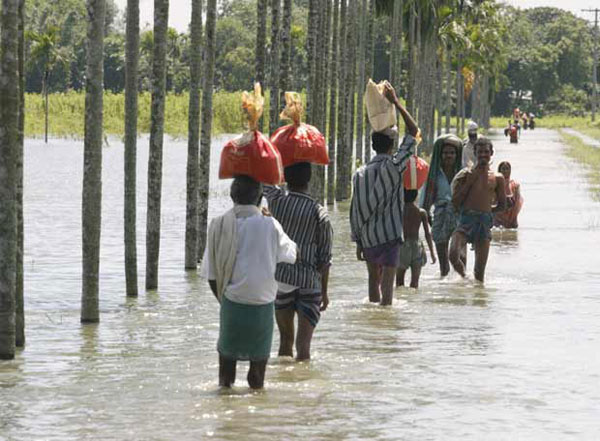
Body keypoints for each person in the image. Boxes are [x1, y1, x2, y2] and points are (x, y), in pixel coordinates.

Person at [201, 175, 298, 389]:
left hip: (232, 303)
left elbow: (210, 274)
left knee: (225, 377)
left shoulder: (218, 224)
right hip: (262, 306)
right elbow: (292, 254)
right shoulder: (270, 224)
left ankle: (227, 413)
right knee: (257, 377)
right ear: (260, 198)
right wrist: (272, 221)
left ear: (232, 196)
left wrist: (224, 300)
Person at [350, 82, 419, 306]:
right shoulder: (395, 165)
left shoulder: (359, 174)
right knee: (387, 291)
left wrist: (358, 241)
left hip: (368, 236)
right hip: (390, 236)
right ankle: (384, 329)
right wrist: (396, 102)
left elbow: (355, 210)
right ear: (391, 145)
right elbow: (414, 131)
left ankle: (374, 325)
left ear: (372, 145)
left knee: (373, 282)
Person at [263, 162, 333, 361]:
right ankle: (301, 382)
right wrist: (324, 292)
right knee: (303, 346)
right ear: (309, 179)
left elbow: (264, 179)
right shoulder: (319, 212)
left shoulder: (276, 200)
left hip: (282, 280)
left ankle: (284, 383)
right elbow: (325, 258)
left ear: (285, 177)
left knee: (285, 341)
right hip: (309, 282)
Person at [449, 137, 507, 283]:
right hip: (465, 220)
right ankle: (465, 278)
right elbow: (455, 202)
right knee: (453, 254)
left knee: (479, 273)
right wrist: (469, 183)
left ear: (491, 153)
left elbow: (502, 205)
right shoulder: (465, 174)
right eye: (480, 152)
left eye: (486, 152)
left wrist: (488, 211)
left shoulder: (498, 178)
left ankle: (477, 295)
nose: (483, 155)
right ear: (474, 153)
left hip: (484, 222)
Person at [421, 134, 464, 277]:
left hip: (459, 215)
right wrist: (427, 217)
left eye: (452, 153)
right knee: (443, 263)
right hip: (440, 215)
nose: (449, 156)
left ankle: (463, 285)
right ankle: (444, 289)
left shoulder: (463, 173)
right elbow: (427, 199)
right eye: (445, 153)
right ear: (441, 154)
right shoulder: (434, 174)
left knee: (459, 256)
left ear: (456, 155)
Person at [396, 189, 436, 288]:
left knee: (399, 282)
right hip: (416, 246)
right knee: (415, 283)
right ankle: (414, 302)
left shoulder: (399, 211)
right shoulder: (421, 212)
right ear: (416, 196)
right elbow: (427, 234)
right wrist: (432, 252)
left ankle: (402, 301)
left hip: (403, 246)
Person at [493, 161, 523, 228]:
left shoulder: (515, 185)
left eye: (507, 169)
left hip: (512, 217)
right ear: (499, 171)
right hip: (497, 218)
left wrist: (513, 218)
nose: (505, 171)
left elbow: (517, 203)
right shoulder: (495, 184)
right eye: (503, 169)